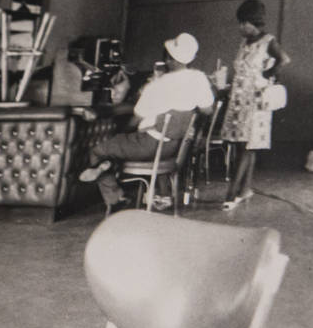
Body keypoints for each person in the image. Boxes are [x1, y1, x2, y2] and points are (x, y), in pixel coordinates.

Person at [80, 32, 214, 211]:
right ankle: (160, 193)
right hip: (176, 147)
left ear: (168, 58)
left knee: (98, 149)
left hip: (148, 146)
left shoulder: (157, 85)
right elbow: (207, 109)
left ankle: (115, 198)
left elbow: (135, 119)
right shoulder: (199, 78)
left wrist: (123, 132)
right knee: (149, 138)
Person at [220, 0, 291, 210]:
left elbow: (284, 59)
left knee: (247, 147)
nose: (241, 27)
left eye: (244, 23)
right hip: (239, 101)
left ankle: (231, 194)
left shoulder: (268, 41)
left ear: (254, 22)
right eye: (240, 23)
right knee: (243, 146)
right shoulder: (244, 43)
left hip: (256, 102)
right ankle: (245, 189)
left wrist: (267, 74)